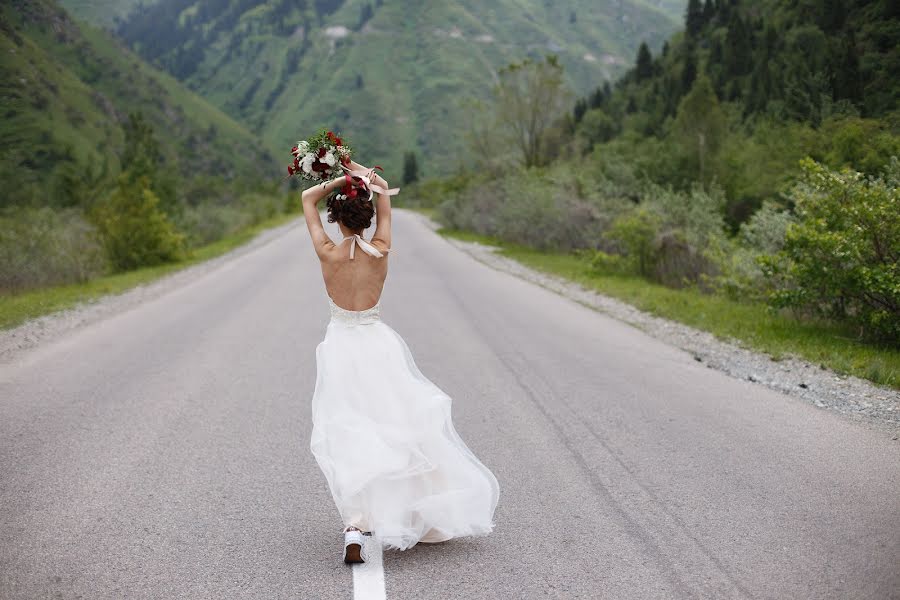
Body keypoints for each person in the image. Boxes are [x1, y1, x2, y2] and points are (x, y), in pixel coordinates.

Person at [300, 160, 500, 564]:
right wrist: (359, 173)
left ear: (337, 220)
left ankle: (355, 525)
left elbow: (308, 198)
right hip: (378, 345)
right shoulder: (381, 249)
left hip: (341, 346)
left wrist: (339, 176)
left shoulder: (326, 252)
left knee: (348, 429)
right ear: (368, 218)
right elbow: (386, 189)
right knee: (394, 424)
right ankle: (396, 510)